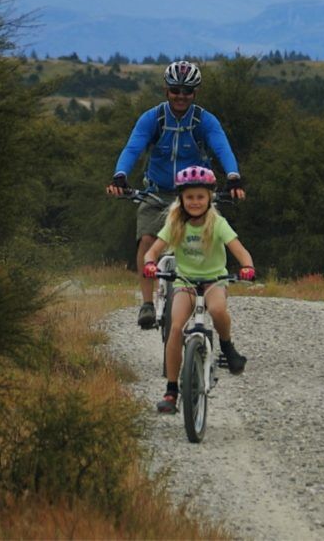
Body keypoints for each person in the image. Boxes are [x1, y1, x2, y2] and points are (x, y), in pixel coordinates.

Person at [107, 60, 245, 330]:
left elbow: (222, 148)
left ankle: (207, 296)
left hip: (195, 195)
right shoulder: (153, 119)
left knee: (208, 241)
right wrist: (120, 174)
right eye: (175, 90)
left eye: (188, 91)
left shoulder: (204, 120)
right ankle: (147, 303)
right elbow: (133, 147)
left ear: (196, 93)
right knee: (147, 240)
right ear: (166, 90)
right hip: (157, 193)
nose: (181, 96)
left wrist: (233, 177)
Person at [142, 165, 256, 414]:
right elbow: (153, 250)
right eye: (189, 197)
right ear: (181, 199)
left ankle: (227, 347)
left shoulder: (218, 223)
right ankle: (171, 391)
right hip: (185, 282)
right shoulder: (175, 223)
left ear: (209, 198)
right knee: (175, 327)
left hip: (214, 280)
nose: (195, 202)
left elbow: (239, 249)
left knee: (217, 310)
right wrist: (150, 262)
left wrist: (247, 266)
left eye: (200, 197)